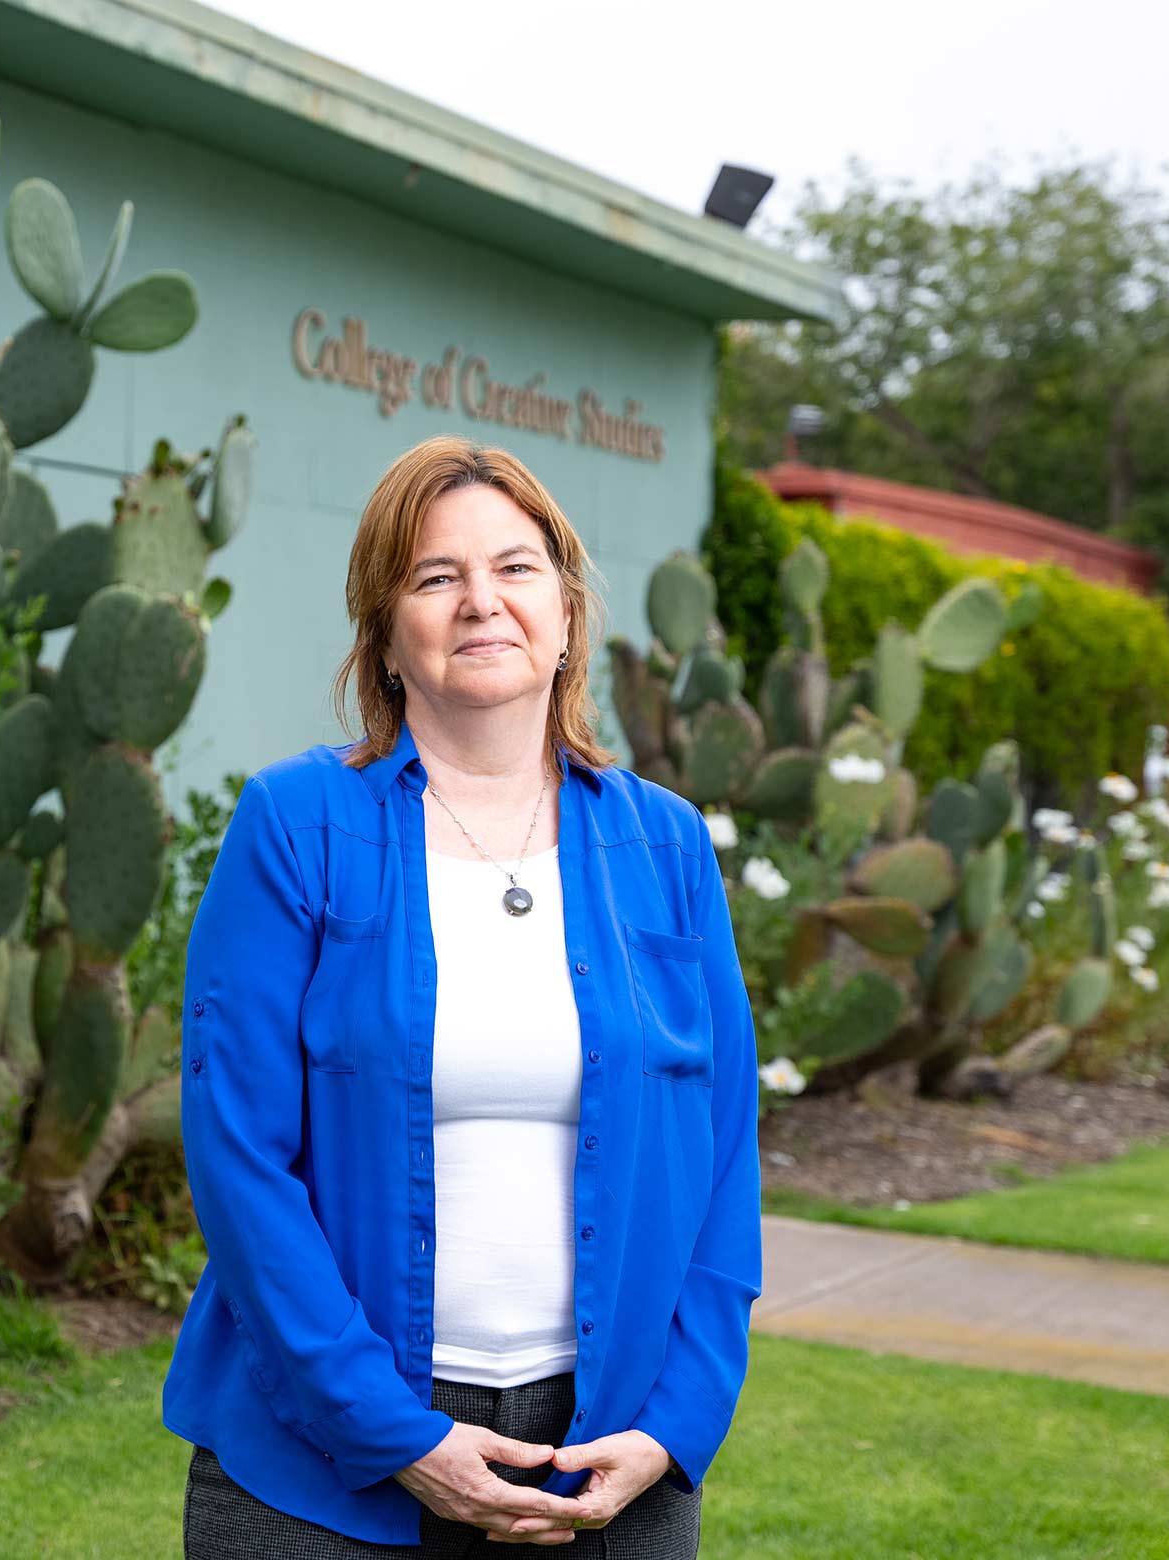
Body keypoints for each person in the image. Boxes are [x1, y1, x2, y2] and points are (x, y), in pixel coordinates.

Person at [164, 436, 761, 1555]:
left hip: (608, 1461)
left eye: (517, 568)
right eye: (437, 577)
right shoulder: (298, 826)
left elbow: (724, 1151)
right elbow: (239, 1158)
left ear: (569, 612)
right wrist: (393, 1434)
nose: (482, 602)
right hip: (317, 1460)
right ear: (388, 635)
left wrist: (678, 1423)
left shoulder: (666, 844)